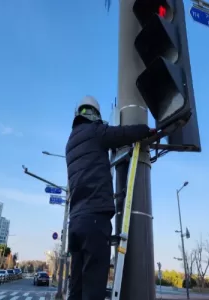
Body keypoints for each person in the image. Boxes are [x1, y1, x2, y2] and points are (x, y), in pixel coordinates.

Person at [66, 95, 156, 300]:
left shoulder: (70, 143)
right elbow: (122, 134)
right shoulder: (95, 132)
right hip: (95, 219)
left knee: (76, 288)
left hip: (76, 223)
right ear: (95, 114)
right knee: (93, 289)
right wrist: (145, 130)